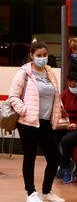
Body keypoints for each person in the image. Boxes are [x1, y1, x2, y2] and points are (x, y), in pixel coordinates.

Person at [7, 40, 66, 202]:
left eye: (45, 55)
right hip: (28, 123)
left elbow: (55, 95)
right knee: (30, 157)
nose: (42, 58)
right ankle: (31, 193)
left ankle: (46, 192)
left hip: (47, 122)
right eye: (39, 55)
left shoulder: (49, 72)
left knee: (54, 159)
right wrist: (24, 111)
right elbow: (13, 96)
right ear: (31, 56)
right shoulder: (24, 73)